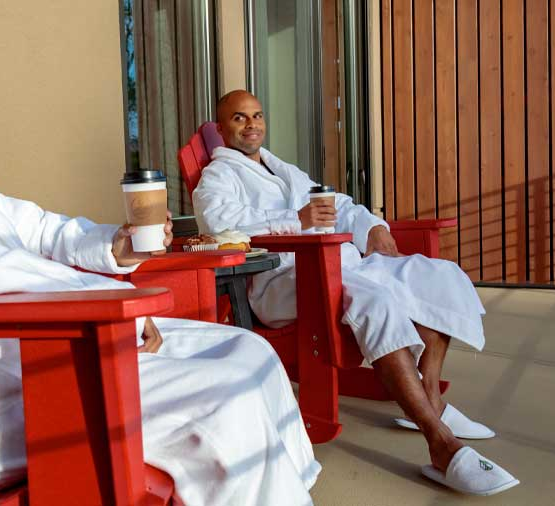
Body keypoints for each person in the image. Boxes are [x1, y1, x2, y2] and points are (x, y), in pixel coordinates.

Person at [0, 11, 318, 505]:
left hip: (32, 351)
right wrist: (110, 301)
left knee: (248, 355)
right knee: (222, 400)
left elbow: (34, 225)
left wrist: (116, 244)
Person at [192, 90, 519, 496]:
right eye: (240, 118)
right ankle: (441, 442)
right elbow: (222, 227)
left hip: (340, 265)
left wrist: (373, 227)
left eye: (257, 116)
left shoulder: (282, 170)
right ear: (221, 130)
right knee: (377, 302)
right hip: (284, 279)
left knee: (435, 275)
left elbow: (335, 203)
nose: (252, 124)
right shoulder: (217, 177)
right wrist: (294, 220)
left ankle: (429, 396)